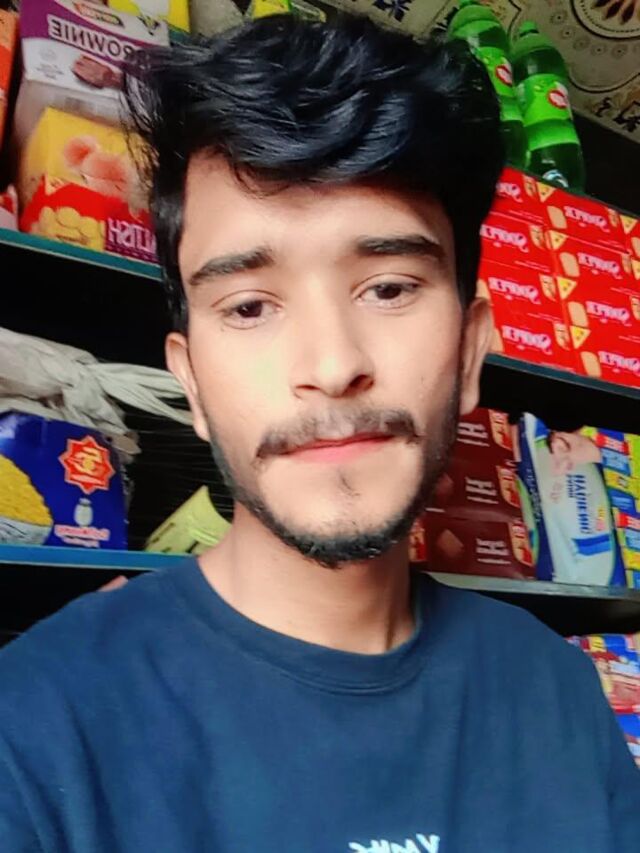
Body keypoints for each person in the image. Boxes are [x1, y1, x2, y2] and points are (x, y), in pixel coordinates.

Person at [0, 14, 639, 853]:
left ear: (469, 351)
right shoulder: (34, 724)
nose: (333, 365)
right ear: (191, 382)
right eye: (249, 306)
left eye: (389, 288)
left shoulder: (557, 688)